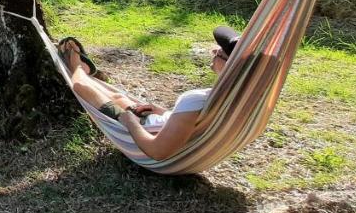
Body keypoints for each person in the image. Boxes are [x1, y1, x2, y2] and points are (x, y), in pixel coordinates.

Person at [60, 26, 240, 161]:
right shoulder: (237, 96)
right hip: (156, 124)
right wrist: (163, 112)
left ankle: (76, 64)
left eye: (220, 52)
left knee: (80, 86)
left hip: (143, 132)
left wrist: (129, 121)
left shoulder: (195, 98)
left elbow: (158, 151)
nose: (214, 51)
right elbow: (192, 122)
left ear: (229, 65)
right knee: (118, 98)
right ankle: (86, 71)